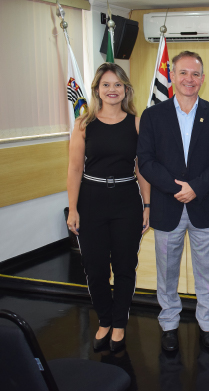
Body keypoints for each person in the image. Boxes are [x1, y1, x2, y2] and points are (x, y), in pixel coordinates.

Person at [137, 51, 209, 351]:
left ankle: (207, 325)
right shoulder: (153, 115)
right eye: (183, 73)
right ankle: (169, 325)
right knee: (166, 273)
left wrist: (195, 188)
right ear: (173, 76)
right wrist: (177, 188)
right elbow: (146, 161)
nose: (189, 79)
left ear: (203, 79)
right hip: (167, 207)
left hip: (203, 205)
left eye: (195, 74)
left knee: (206, 272)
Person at [67, 62, 151, 352]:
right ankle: (104, 319)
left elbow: (142, 169)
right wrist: (73, 208)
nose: (112, 90)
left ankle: (119, 323)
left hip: (127, 199)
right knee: (95, 267)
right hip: (91, 199)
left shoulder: (137, 123)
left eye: (117, 85)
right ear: (97, 90)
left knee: (126, 265)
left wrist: (147, 204)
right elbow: (75, 169)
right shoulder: (84, 124)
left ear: (126, 89)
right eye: (106, 85)